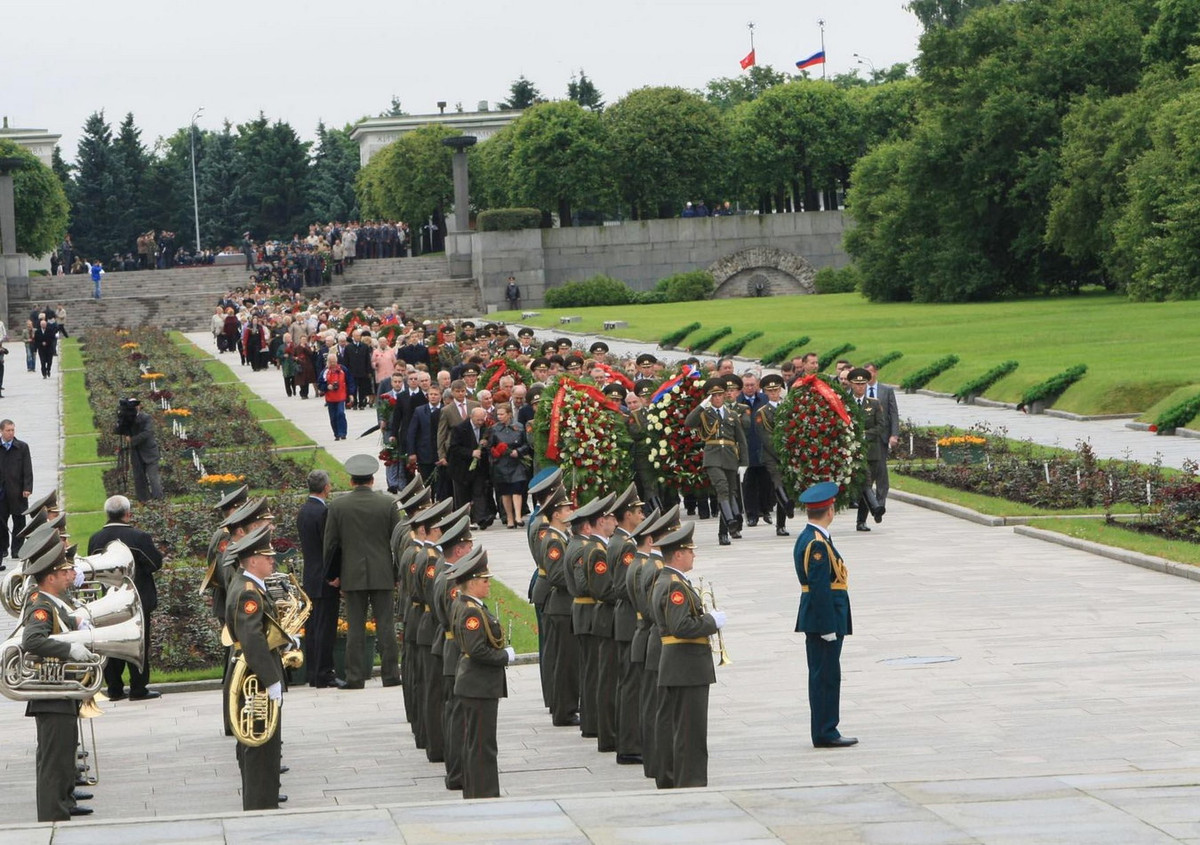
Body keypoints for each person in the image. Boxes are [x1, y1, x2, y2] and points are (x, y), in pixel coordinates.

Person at [21, 537, 98, 820]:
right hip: (51, 693)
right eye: (65, 571)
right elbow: (32, 640)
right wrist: (69, 649)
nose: (71, 574)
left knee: (64, 756)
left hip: (60, 690)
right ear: (50, 577)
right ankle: (53, 815)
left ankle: (64, 802)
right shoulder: (41, 605)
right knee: (54, 760)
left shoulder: (52, 602)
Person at [651, 521, 725, 788]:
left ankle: (678, 778)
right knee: (690, 732)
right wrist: (711, 621)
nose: (694, 555)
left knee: (681, 728)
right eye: (690, 551)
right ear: (678, 554)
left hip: (682, 666)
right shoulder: (674, 586)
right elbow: (681, 626)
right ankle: (690, 781)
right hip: (686, 667)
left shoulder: (671, 581)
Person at [323, 454, 401, 689]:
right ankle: (391, 675)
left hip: (352, 574)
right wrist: (396, 574)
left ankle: (355, 677)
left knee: (355, 628)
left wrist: (333, 575)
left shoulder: (338, 506)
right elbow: (398, 543)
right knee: (386, 625)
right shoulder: (388, 504)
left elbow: (330, 544)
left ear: (351, 481)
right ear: (372, 480)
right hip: (383, 573)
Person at [226, 524, 286, 810]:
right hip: (256, 675)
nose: (272, 561)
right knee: (261, 745)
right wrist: (272, 680)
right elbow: (252, 639)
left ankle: (262, 799)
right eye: (267, 557)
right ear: (252, 561)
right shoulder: (249, 592)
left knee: (262, 746)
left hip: (254, 671)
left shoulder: (249, 585)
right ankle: (260, 805)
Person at [450, 547, 516, 799]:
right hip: (478, 684)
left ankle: (476, 789)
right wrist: (505, 656)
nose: (489, 584)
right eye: (484, 580)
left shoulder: (467, 604)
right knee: (481, 744)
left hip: (476, 683)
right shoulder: (471, 611)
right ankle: (483, 792)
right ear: (472, 582)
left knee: (476, 741)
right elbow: (476, 649)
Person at [794, 481, 856, 748]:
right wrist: (827, 627)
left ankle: (825, 728)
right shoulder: (817, 544)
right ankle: (825, 731)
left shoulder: (811, 537)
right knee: (826, 677)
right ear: (830, 511)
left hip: (822, 617)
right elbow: (819, 588)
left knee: (824, 674)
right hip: (824, 619)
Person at [88, 495, 163, 701]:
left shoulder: (96, 539)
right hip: (137, 599)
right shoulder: (139, 537)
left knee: (112, 643)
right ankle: (138, 688)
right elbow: (155, 564)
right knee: (139, 643)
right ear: (128, 514)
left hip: (109, 601)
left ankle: (114, 689)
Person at [684, 377, 749, 545]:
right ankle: (731, 519)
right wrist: (701, 406)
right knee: (722, 488)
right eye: (713, 395)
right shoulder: (704, 413)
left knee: (730, 492)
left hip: (730, 456)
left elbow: (741, 440)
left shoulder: (732, 414)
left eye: (720, 394)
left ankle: (724, 532)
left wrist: (744, 463)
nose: (717, 398)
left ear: (724, 395)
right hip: (712, 456)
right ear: (709, 397)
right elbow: (688, 422)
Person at [297, 470, 342, 688]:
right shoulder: (323, 512)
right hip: (325, 579)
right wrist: (334, 575)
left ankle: (314, 672)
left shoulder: (304, 510)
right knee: (325, 628)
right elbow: (330, 547)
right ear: (326, 488)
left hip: (310, 576)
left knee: (314, 627)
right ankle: (324, 673)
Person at [754, 374, 795, 537]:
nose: (774, 393)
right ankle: (787, 506)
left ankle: (781, 524)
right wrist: (781, 453)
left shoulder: (788, 408)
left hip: (789, 452)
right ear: (765, 392)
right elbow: (766, 437)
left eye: (776, 390)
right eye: (770, 391)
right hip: (772, 455)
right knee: (778, 481)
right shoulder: (762, 413)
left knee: (787, 484)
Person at [846, 368, 886, 532]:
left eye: (863, 384)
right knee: (865, 482)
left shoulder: (874, 404)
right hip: (851, 451)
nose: (860, 387)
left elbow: (881, 426)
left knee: (868, 483)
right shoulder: (844, 403)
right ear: (851, 384)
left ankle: (862, 520)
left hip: (871, 451)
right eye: (857, 384)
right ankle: (874, 508)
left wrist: (865, 435)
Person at [485, 404, 531, 529]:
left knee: (517, 489)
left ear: (509, 414)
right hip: (501, 463)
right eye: (498, 414)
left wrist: (518, 451)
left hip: (516, 462)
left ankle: (518, 516)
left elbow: (526, 444)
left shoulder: (519, 427)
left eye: (502, 414)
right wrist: (495, 452)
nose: (499, 417)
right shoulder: (494, 429)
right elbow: (490, 446)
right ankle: (509, 517)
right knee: (505, 492)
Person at [448, 407, 494, 530]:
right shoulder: (459, 429)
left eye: (482, 420)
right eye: (478, 420)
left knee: (479, 492)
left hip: (478, 468)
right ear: (471, 417)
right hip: (461, 468)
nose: (480, 422)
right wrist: (471, 453)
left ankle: (481, 518)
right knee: (462, 495)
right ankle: (465, 520)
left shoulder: (485, 428)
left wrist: (485, 445)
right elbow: (454, 448)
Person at [865, 362, 900, 507]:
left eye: (871, 372)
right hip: (866, 437)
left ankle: (881, 499)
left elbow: (893, 413)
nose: (869, 375)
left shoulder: (886, 390)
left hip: (882, 437)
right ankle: (868, 497)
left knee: (881, 468)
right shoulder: (860, 391)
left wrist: (894, 434)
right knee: (867, 469)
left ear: (876, 372)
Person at [0, 419, 34, 561]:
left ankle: (17, 549)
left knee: (19, 521)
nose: (11, 433)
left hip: (18, 492)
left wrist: (27, 487)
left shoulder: (22, 447)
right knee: (1, 521)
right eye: (8, 430)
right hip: (2, 493)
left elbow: (27, 468)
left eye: (12, 430)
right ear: (1, 431)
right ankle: (3, 548)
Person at [124, 399, 164, 501]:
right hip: (136, 454)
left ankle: (159, 500)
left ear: (138, 407)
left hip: (149, 453)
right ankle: (144, 501)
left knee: (153, 478)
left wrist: (132, 440)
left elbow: (147, 433)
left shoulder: (146, 417)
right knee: (139, 479)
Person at [320, 354, 349, 440]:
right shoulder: (325, 372)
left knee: (340, 413)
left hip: (341, 396)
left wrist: (351, 394)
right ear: (328, 362)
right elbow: (320, 384)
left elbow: (350, 381)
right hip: (330, 398)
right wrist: (327, 387)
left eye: (334, 362)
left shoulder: (343, 369)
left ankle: (342, 433)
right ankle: (336, 434)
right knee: (333, 417)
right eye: (331, 362)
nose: (333, 364)